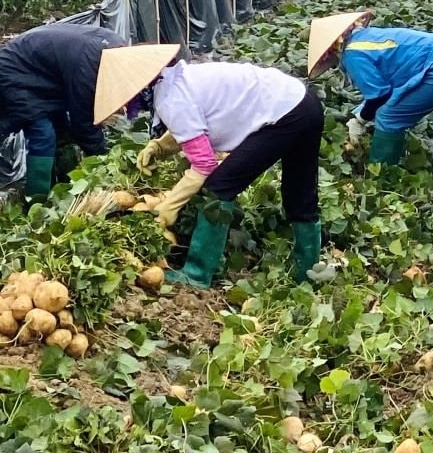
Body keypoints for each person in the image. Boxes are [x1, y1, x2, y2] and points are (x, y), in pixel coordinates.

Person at [95, 45, 330, 288]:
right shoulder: (175, 79)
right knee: (299, 190)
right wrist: (161, 146)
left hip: (283, 115)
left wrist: (169, 206)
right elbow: (195, 117)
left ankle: (197, 274)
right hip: (302, 102)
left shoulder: (170, 99)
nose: (126, 108)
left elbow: (205, 164)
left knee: (218, 188)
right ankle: (308, 276)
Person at [307, 12, 433, 185]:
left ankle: (381, 181)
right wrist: (361, 113)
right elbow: (391, 86)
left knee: (389, 117)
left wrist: (360, 121)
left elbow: (379, 96)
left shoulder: (352, 52)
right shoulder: (370, 37)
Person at [0, 23, 124, 198]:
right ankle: (37, 199)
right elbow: (83, 120)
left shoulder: (116, 46)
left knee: (63, 132)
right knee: (43, 134)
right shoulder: (88, 66)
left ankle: (59, 186)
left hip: (45, 73)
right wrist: (103, 157)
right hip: (16, 72)